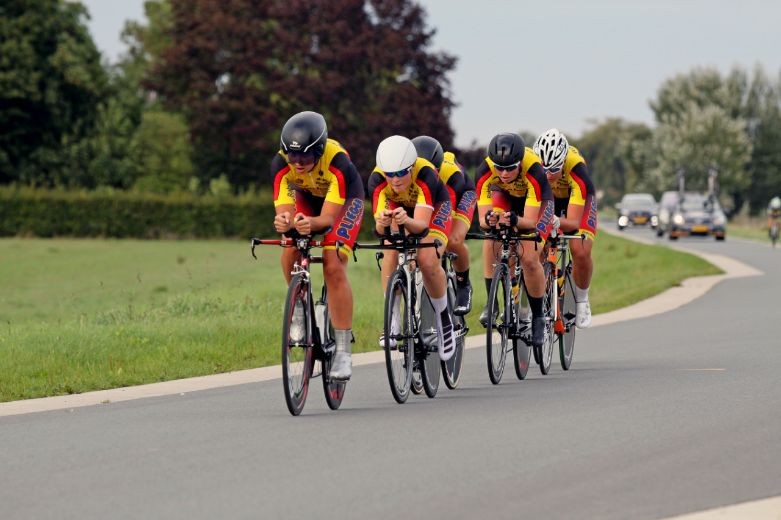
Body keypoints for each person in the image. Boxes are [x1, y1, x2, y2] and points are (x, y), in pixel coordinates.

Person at [271, 111, 364, 380]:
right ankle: (299, 311)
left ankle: (344, 351)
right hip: (307, 197)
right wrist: (285, 221)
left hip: (344, 202)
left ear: (320, 151)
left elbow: (325, 221)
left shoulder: (338, 163)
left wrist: (311, 224)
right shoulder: (280, 163)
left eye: (306, 157)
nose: (298, 163)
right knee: (290, 247)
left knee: (333, 264)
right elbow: (286, 211)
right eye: (293, 156)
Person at [368, 135, 457, 361]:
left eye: (401, 173)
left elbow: (421, 227)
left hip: (434, 208)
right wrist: (384, 222)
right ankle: (393, 316)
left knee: (427, 259)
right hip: (400, 208)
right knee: (389, 247)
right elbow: (379, 229)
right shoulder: (377, 180)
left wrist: (406, 221)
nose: (395, 180)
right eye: (390, 174)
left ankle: (443, 317)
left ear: (412, 167)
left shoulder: (426, 173)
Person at [475, 132, 556, 348]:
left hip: (537, 205)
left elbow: (529, 222)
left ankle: (538, 317)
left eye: (510, 168)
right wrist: (491, 219)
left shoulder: (534, 170)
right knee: (491, 237)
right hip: (506, 197)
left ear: (520, 163)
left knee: (529, 257)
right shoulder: (484, 172)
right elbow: (483, 221)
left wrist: (514, 219)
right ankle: (491, 303)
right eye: (499, 168)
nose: (504, 172)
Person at [533, 128, 597, 328]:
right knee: (536, 244)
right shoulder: (533, 168)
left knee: (580, 250)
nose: (548, 174)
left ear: (563, 162)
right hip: (550, 199)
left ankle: (582, 300)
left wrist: (559, 222)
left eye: (553, 169)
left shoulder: (576, 168)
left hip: (576, 200)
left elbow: (574, 222)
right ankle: (541, 296)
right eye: (543, 170)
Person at [411, 135, 477, 315]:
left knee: (452, 239)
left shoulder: (450, 173)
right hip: (427, 197)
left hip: (461, 194)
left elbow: (444, 215)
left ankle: (464, 284)